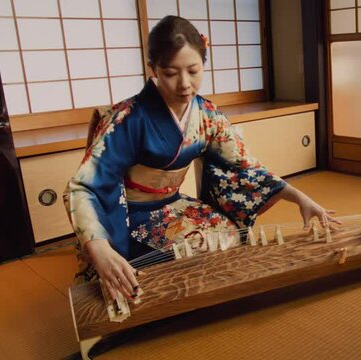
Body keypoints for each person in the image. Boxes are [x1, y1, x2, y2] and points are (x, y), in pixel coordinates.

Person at [64, 15, 338, 301]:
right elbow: (85, 186)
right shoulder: (128, 119)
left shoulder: (207, 114)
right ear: (153, 70)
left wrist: (298, 197)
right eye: (171, 73)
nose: (185, 84)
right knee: (190, 252)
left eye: (193, 71)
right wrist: (100, 248)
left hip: (174, 205)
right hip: (130, 215)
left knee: (230, 236)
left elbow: (242, 165)